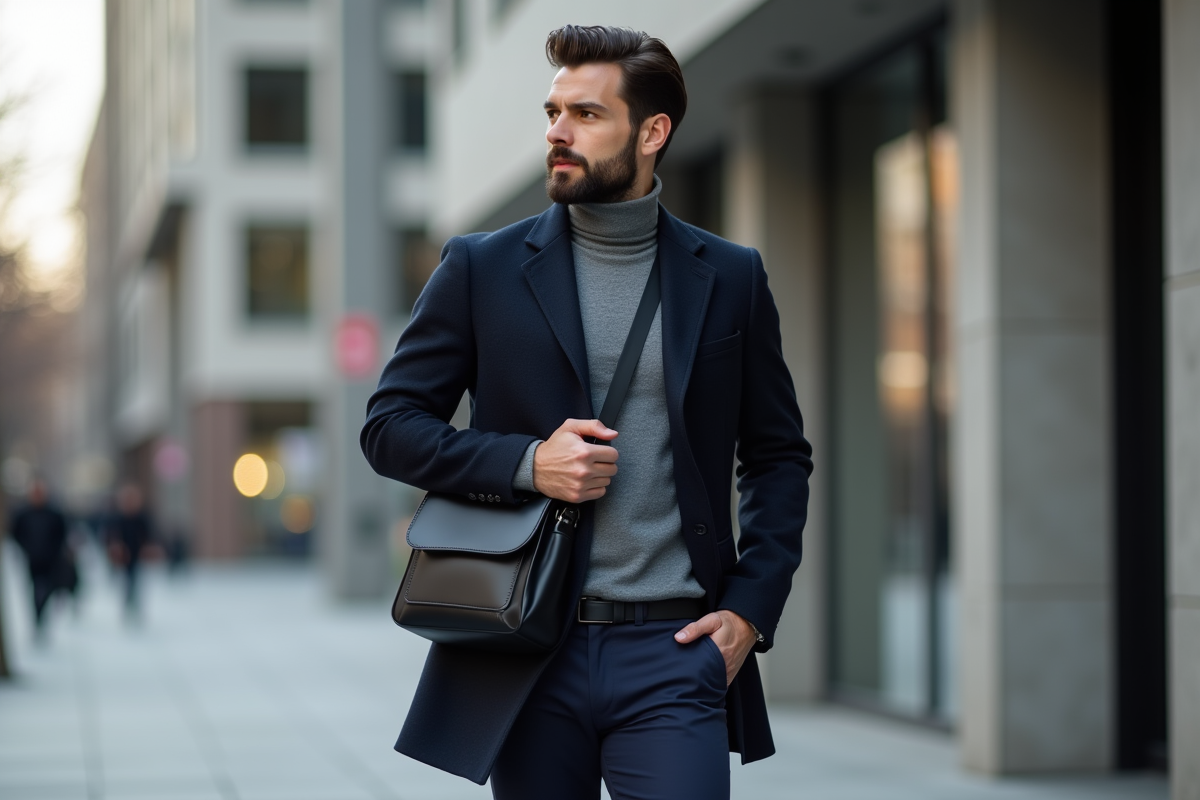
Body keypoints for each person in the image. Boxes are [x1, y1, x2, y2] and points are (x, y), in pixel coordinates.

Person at [361, 24, 813, 800]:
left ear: (652, 132)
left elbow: (777, 457)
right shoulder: (481, 268)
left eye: (586, 114)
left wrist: (749, 611)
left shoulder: (731, 276)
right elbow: (389, 427)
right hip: (525, 646)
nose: (557, 133)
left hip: (675, 650)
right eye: (553, 112)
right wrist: (527, 463)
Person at [8, 478, 70, 639]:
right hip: (32, 559)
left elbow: (62, 534)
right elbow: (15, 533)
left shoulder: (54, 514)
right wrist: (26, 548)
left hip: (51, 560)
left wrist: (56, 551)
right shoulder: (23, 514)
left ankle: (42, 616)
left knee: (47, 589)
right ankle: (37, 618)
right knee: (35, 590)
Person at [106, 482, 152, 620]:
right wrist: (115, 547)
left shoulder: (141, 518)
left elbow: (148, 536)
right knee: (127, 582)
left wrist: (147, 549)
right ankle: (127, 606)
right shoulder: (118, 518)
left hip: (137, 555)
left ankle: (134, 606)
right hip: (123, 557)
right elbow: (111, 536)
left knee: (135, 582)